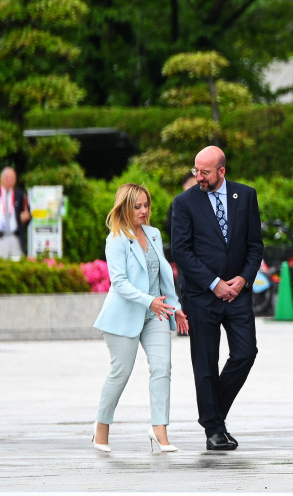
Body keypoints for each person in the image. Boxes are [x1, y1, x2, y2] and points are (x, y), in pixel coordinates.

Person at [170, 145, 263, 452]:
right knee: (205, 363)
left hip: (237, 294)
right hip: (201, 296)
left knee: (245, 353)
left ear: (222, 171)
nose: (199, 176)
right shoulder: (183, 203)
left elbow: (255, 246)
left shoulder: (245, 196)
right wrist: (213, 283)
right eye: (196, 170)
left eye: (205, 172)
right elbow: (181, 251)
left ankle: (213, 415)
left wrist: (244, 277)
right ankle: (214, 430)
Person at [92, 184, 188, 453]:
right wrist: (149, 301)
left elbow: (164, 276)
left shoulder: (154, 234)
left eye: (146, 205)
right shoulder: (116, 239)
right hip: (124, 316)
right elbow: (119, 283)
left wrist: (175, 306)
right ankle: (101, 426)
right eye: (137, 206)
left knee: (162, 368)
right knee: (120, 373)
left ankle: (159, 430)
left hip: (156, 313)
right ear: (125, 207)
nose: (144, 211)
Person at [166, 172, 197, 336]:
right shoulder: (178, 203)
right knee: (183, 288)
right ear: (184, 186)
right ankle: (184, 324)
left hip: (199, 255)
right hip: (184, 254)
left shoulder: (201, 203)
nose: (194, 186)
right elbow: (169, 227)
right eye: (190, 183)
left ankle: (196, 322)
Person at [0, 167, 31, 260]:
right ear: (1, 179)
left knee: (17, 264)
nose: (9, 181)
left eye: (12, 178)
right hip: (1, 237)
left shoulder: (20, 194)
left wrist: (27, 217)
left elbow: (28, 212)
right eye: (7, 178)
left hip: (15, 237)